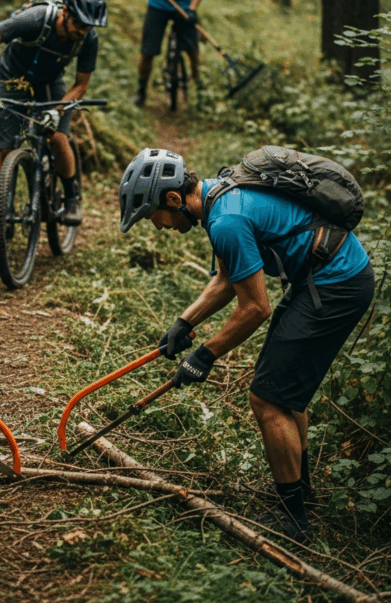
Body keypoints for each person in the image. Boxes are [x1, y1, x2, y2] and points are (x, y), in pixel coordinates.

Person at [118, 147, 375, 543]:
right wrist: (184, 322)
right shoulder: (221, 196)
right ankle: (301, 491)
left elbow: (255, 308)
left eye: (153, 217)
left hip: (334, 285)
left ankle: (293, 522)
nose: (157, 226)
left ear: (173, 199)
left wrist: (204, 355)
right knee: (283, 397)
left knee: (267, 400)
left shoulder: (226, 220)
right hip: (319, 278)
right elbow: (226, 279)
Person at [0, 0, 108, 227]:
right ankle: (3, 214)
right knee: (7, 147)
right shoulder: (36, 19)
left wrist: (57, 112)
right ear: (65, 12)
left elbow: (80, 86)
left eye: (89, 27)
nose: (83, 31)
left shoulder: (88, 40)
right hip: (13, 77)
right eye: (79, 24)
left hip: (49, 83)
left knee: (56, 137)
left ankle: (72, 198)